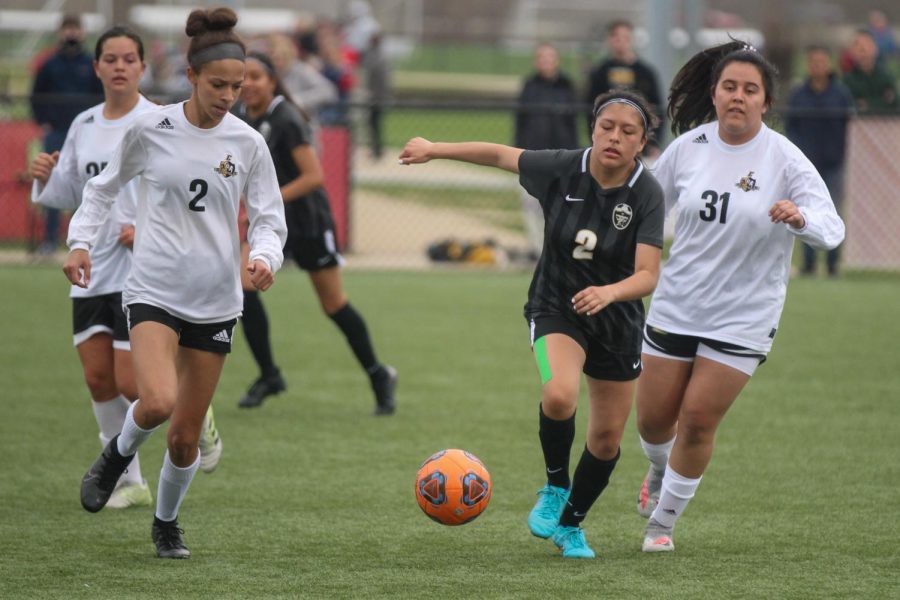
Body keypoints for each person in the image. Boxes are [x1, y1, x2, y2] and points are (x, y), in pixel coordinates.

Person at [399, 89, 665, 558]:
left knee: (605, 440)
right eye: (607, 127)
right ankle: (555, 486)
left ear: (642, 142)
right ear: (593, 129)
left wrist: (609, 292)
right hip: (553, 310)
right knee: (559, 393)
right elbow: (499, 153)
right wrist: (435, 149)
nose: (615, 138)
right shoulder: (563, 167)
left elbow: (647, 275)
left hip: (618, 321)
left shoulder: (646, 192)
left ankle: (571, 525)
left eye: (628, 132)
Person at [65, 7, 287, 559]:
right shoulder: (151, 128)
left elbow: (268, 219)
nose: (228, 95)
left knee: (185, 437)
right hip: (154, 290)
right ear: (190, 76)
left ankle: (166, 523)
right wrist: (79, 242)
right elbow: (102, 189)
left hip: (215, 300)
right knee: (157, 401)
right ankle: (116, 456)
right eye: (218, 85)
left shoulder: (248, 143)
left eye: (237, 86)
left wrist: (264, 259)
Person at [633, 41, 845, 553]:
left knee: (699, 419)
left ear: (766, 102)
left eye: (751, 90)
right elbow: (646, 206)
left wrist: (802, 219)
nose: (739, 97)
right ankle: (660, 471)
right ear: (715, 92)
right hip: (678, 303)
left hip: (744, 316)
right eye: (730, 87)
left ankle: (662, 524)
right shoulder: (690, 148)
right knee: (654, 421)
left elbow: (832, 227)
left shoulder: (786, 158)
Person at [31, 25, 155, 509]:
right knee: (99, 381)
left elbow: (177, 195)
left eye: (129, 58)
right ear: (97, 67)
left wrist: (144, 227)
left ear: (143, 67)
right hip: (88, 270)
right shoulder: (83, 124)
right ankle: (131, 483)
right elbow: (69, 196)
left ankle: (195, 409)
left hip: (141, 272)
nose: (120, 66)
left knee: (131, 383)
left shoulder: (160, 122)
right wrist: (43, 180)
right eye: (111, 58)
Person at [234, 51, 398, 415]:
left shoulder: (287, 118)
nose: (248, 84)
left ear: (273, 81)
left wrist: (266, 202)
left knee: (333, 304)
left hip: (307, 222)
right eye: (243, 77)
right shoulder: (242, 118)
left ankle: (378, 374)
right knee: (244, 290)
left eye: (257, 76)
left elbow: (314, 177)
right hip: (271, 224)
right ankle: (269, 375)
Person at [30, 14, 103, 255]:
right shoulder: (50, 64)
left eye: (75, 29)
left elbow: (100, 96)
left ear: (81, 32)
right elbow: (36, 96)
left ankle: (80, 240)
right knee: (52, 181)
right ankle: (49, 241)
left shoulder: (91, 64)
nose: (71, 34)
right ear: (61, 32)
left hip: (88, 134)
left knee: (85, 186)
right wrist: (44, 122)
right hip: (57, 133)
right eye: (67, 29)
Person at [786, 46, 854, 276]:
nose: (817, 66)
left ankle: (833, 265)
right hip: (806, 166)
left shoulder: (841, 94)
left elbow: (850, 127)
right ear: (808, 65)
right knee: (805, 213)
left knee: (834, 211)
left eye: (822, 61)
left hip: (834, 164)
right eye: (813, 61)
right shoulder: (798, 95)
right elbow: (791, 127)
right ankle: (809, 264)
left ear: (829, 64)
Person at [514, 43, 580, 260]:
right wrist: (518, 152)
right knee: (531, 204)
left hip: (562, 157)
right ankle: (536, 249)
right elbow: (520, 121)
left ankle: (558, 250)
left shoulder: (566, 86)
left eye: (550, 57)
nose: (546, 62)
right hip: (533, 155)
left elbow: (573, 123)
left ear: (557, 60)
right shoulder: (529, 86)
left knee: (562, 205)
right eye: (542, 57)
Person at [586, 20, 663, 152]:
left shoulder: (646, 73)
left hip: (641, 146)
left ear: (631, 40)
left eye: (625, 37)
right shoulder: (599, 72)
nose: (620, 41)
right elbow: (589, 109)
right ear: (609, 40)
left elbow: (657, 108)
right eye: (616, 37)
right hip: (607, 146)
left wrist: (654, 144)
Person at [842, 30, 899, 113]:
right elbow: (848, 106)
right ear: (852, 51)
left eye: (867, 44)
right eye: (858, 45)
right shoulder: (847, 81)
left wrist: (865, 104)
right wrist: (882, 101)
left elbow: (895, 102)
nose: (863, 49)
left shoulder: (887, 77)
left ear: (876, 49)